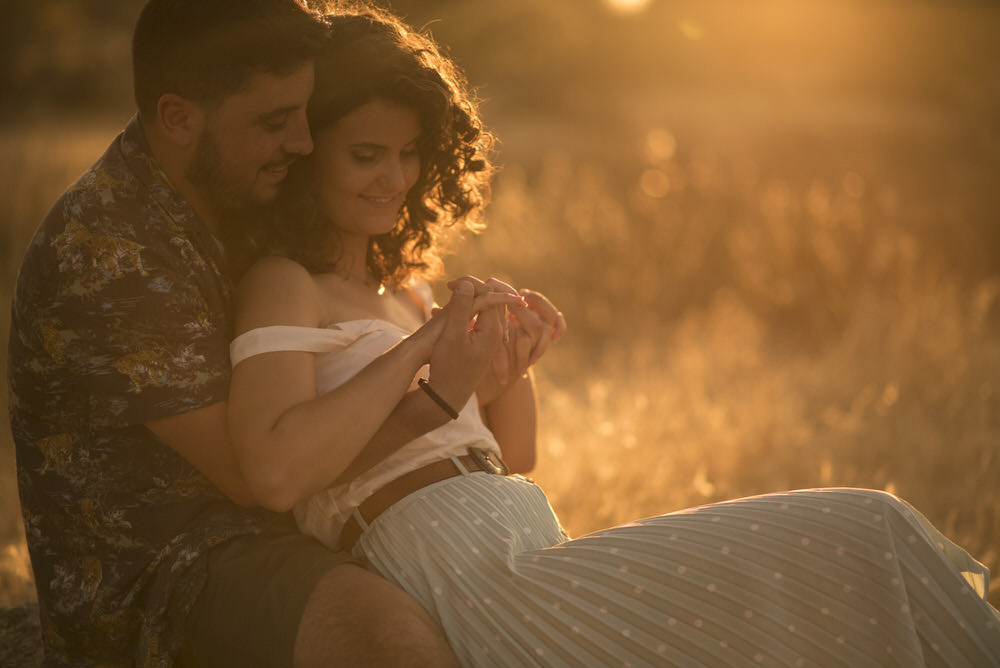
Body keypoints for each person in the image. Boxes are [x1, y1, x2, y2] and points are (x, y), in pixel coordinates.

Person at [225, 7, 1000, 667]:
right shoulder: (285, 282)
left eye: (408, 154)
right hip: (467, 575)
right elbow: (281, 471)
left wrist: (509, 364)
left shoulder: (410, 288)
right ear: (306, 150)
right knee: (867, 531)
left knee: (868, 550)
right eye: (366, 155)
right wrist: (428, 353)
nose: (393, 178)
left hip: (531, 538)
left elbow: (511, 455)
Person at [8, 1, 557, 665]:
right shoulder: (109, 249)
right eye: (275, 122)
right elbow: (262, 476)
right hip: (169, 565)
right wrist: (436, 392)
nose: (302, 142)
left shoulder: (246, 195)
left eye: (304, 114)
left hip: (275, 527)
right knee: (396, 644)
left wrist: (489, 373)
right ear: (178, 118)